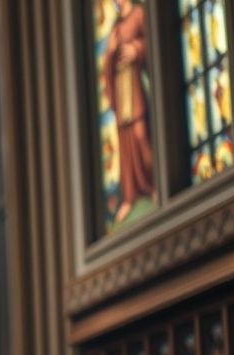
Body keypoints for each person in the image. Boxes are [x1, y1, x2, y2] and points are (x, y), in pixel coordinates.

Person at [102, 0, 154, 224]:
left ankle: (152, 184)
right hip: (121, 86)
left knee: (142, 135)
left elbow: (150, 43)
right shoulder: (115, 27)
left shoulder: (140, 14)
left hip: (135, 84)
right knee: (125, 144)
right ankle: (129, 197)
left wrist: (136, 49)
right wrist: (111, 52)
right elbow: (106, 64)